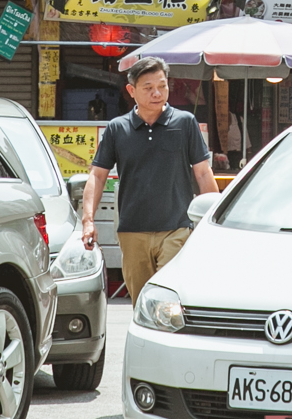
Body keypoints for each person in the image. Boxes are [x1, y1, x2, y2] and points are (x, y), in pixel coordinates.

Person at [81, 56, 218, 297]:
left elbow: (203, 172)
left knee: (170, 298)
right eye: (148, 88)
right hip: (132, 231)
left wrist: (214, 220)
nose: (157, 93)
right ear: (131, 91)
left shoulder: (185, 123)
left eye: (162, 86)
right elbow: (98, 176)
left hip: (176, 228)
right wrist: (88, 220)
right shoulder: (117, 128)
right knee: (142, 301)